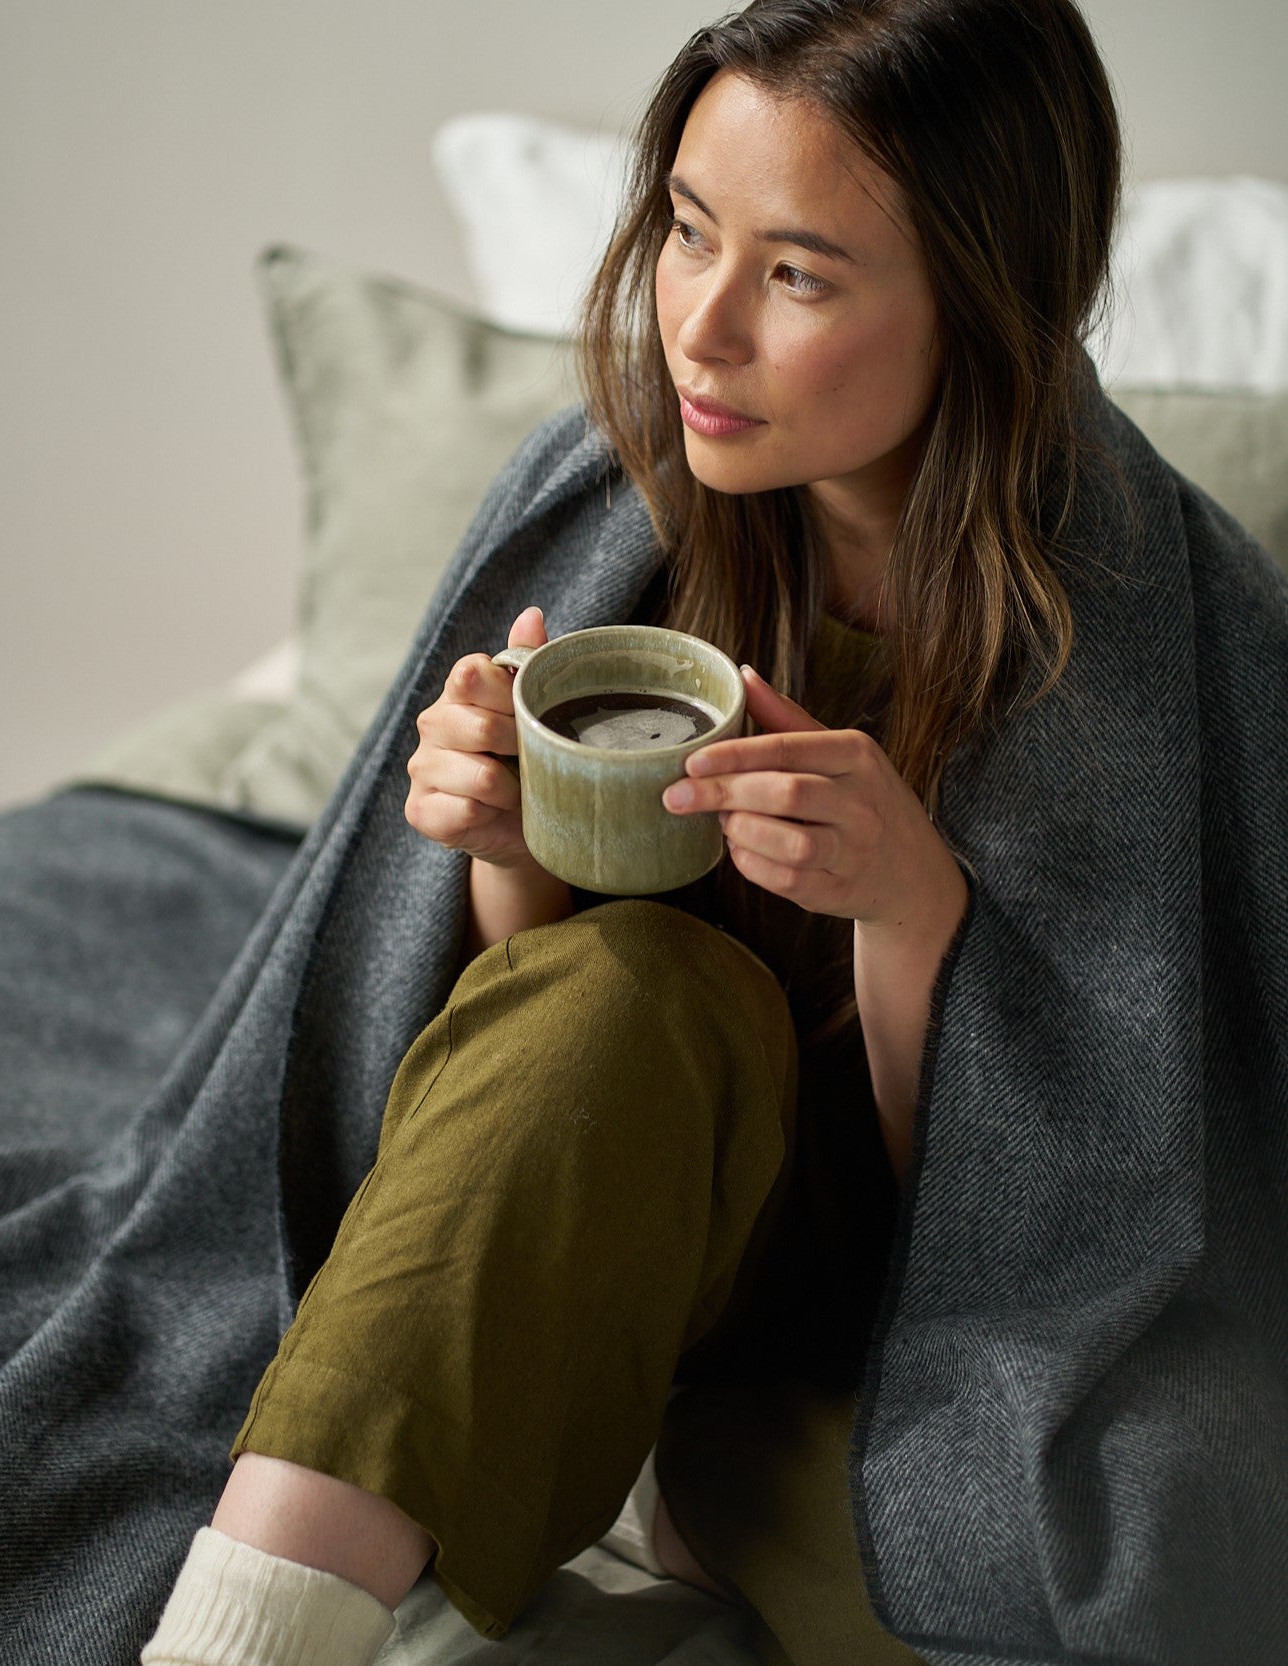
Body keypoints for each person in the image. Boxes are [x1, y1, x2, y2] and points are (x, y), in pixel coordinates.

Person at [142, 1, 1288, 1663]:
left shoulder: (1163, 629)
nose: (699, 327)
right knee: (642, 991)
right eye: (686, 231)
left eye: (797, 275)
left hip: (921, 1320)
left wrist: (912, 914)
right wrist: (498, 845)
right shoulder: (601, 497)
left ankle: (667, 1468)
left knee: (1152, 1552)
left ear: (982, 302)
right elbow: (518, 1064)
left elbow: (1072, 1237)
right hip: (615, 1214)